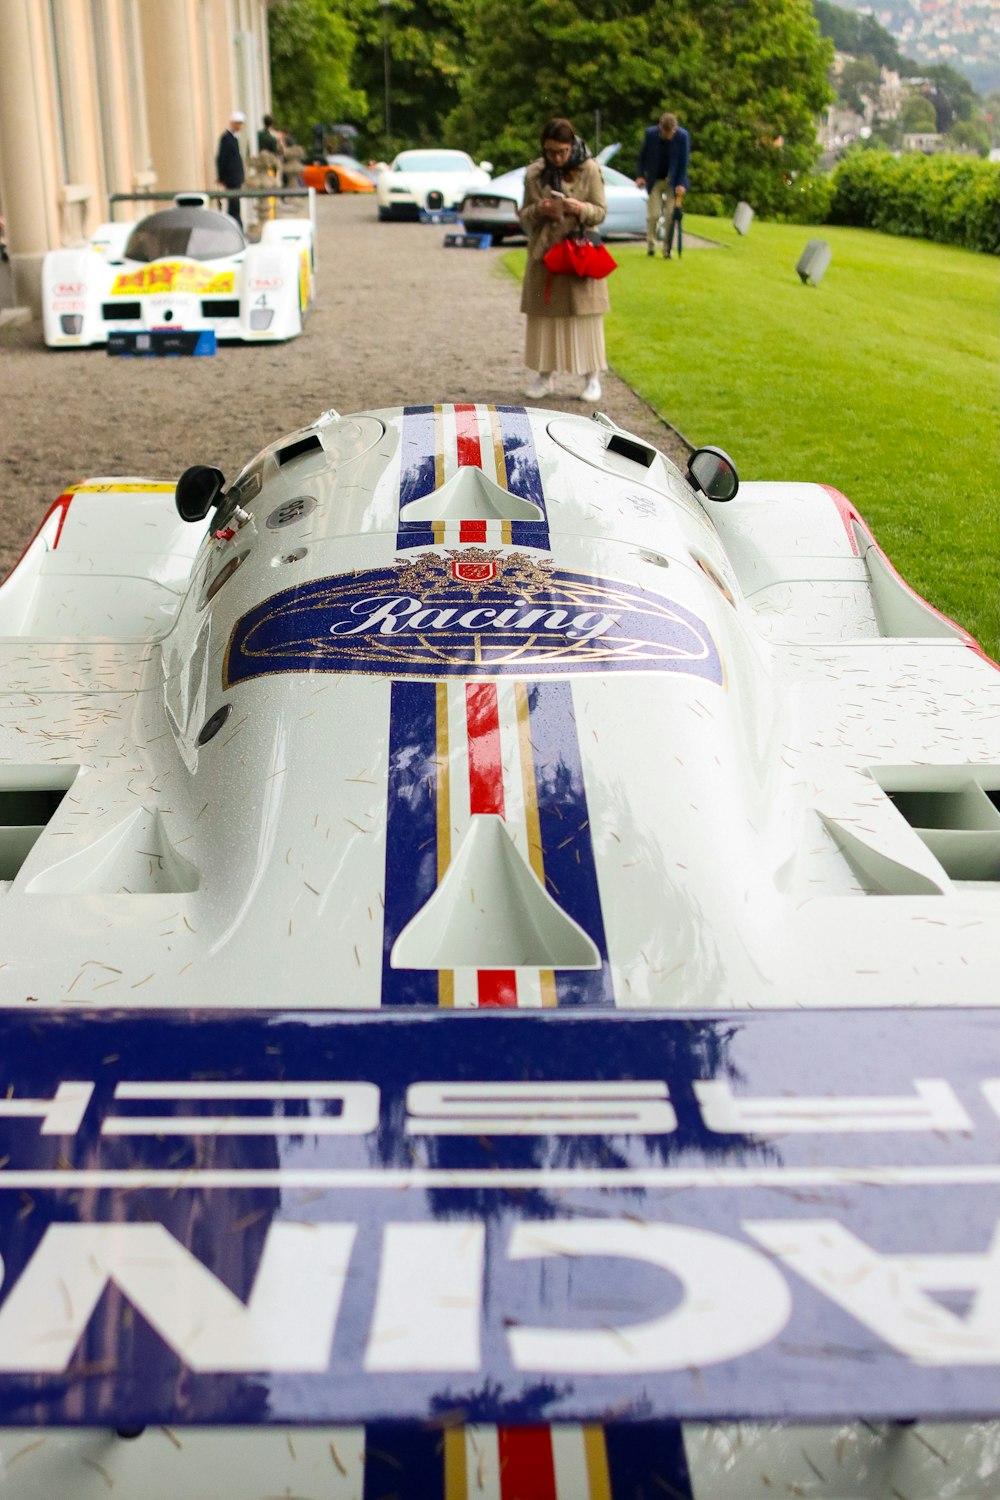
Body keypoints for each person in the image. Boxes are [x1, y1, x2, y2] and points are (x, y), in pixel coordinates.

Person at [518, 117, 608, 405]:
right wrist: (540, 209)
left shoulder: (589, 169)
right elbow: (523, 215)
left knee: (585, 316)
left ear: (572, 146)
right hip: (545, 254)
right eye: (551, 151)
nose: (557, 157)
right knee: (544, 318)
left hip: (578, 252)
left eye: (562, 151)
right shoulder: (534, 173)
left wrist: (579, 208)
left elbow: (601, 211)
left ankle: (592, 378)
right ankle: (544, 376)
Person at [635, 111, 690, 259]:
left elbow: (684, 163)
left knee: (670, 216)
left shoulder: (682, 137)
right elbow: (642, 157)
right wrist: (640, 175)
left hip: (673, 183)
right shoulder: (651, 134)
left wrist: (681, 184)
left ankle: (667, 248)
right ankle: (651, 245)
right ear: (660, 128)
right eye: (665, 132)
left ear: (675, 129)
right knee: (654, 215)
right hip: (655, 181)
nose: (668, 136)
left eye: (671, 132)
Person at [216, 111, 246, 226]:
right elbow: (222, 158)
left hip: (235, 177)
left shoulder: (233, 138)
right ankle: (235, 225)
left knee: (235, 204)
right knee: (233, 205)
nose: (240, 126)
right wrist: (221, 176)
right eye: (238, 123)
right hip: (231, 178)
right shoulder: (226, 138)